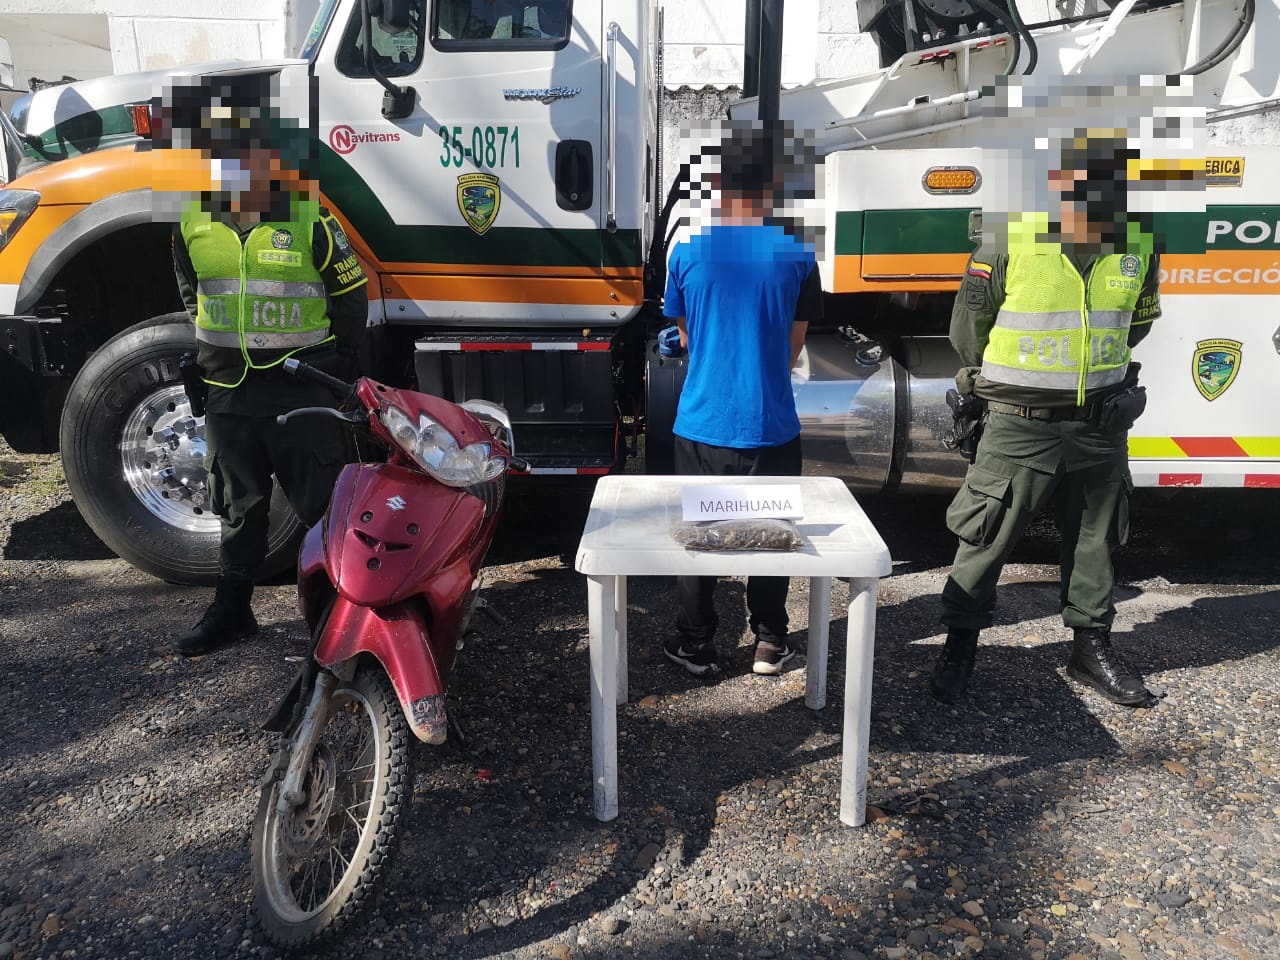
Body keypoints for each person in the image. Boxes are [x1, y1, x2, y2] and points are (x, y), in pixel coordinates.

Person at [933, 128, 1161, 706]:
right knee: (986, 536)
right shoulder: (1007, 241)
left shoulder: (1138, 244)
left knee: (1097, 540)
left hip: (1100, 423)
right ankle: (959, 644)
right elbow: (968, 332)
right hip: (1020, 423)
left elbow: (1136, 324)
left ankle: (1091, 647)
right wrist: (1016, 385)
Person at [169, 77, 369, 656]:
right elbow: (192, 290)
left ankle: (336, 615)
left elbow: (350, 293)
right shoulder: (192, 220)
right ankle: (232, 612)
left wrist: (338, 366)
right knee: (237, 507)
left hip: (298, 387)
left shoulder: (308, 216)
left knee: (322, 507)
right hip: (227, 388)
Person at [661, 123, 823, 678]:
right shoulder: (798, 257)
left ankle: (695, 643)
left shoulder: (687, 253)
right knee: (771, 537)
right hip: (770, 423)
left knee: (700, 538)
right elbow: (792, 348)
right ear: (773, 187)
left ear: (717, 185)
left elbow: (687, 338)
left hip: (702, 423)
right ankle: (770, 642)